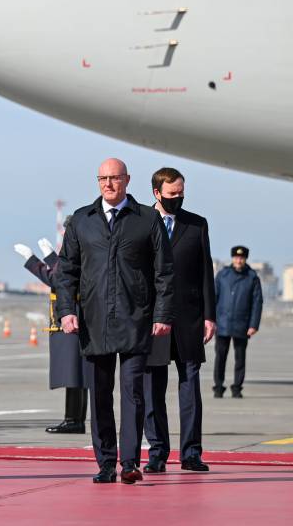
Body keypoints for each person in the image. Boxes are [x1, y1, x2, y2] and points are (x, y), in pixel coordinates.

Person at [54, 158, 174, 485]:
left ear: (127, 180)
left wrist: (162, 315)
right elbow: (65, 273)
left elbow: (164, 273)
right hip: (93, 323)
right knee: (101, 396)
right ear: (98, 181)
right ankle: (106, 462)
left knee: (133, 393)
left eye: (115, 178)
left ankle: (131, 461)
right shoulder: (81, 220)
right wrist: (66, 311)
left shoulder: (147, 219)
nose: (109, 184)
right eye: (103, 178)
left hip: (136, 320)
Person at [142, 167, 215, 474]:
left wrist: (210, 316)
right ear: (157, 193)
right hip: (153, 319)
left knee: (190, 387)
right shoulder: (142, 222)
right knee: (152, 389)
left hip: (189, 319)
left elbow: (205, 272)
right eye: (172, 194)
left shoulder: (196, 225)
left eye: (182, 193)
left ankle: (191, 453)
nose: (178, 198)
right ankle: (157, 451)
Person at [14, 231, 89, 435]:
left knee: (75, 374)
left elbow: (59, 279)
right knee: (76, 375)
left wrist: (37, 259)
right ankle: (75, 419)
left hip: (74, 319)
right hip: (74, 319)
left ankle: (74, 420)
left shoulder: (83, 253)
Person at [213, 246, 262, 399]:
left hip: (242, 325)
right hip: (222, 324)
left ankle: (237, 388)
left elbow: (257, 302)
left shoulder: (252, 277)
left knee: (240, 358)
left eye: (241, 258)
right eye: (236, 257)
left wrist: (253, 324)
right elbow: (213, 298)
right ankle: (219, 387)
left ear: (245, 259)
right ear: (232, 258)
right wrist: (210, 320)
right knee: (220, 357)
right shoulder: (222, 275)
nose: (238, 260)